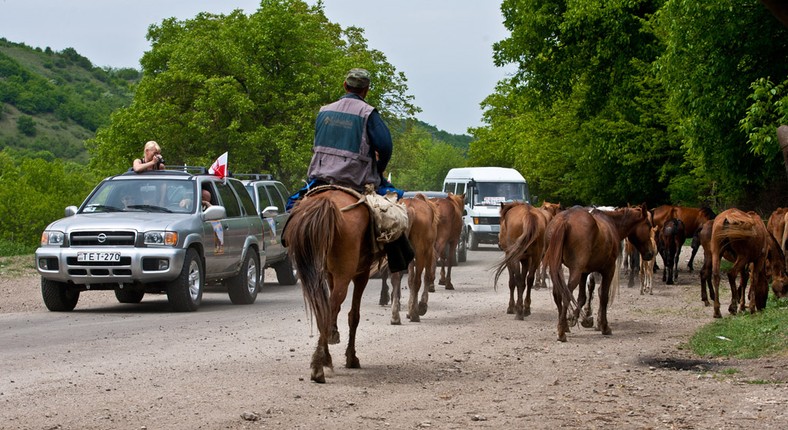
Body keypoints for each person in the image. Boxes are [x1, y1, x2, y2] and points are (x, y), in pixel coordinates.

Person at [291, 68, 412, 271]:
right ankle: (397, 260)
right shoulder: (368, 113)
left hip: (322, 179)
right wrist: (378, 170)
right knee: (393, 214)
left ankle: (290, 244)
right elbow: (385, 146)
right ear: (366, 90)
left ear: (345, 86)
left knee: (293, 207)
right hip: (356, 180)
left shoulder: (324, 111)